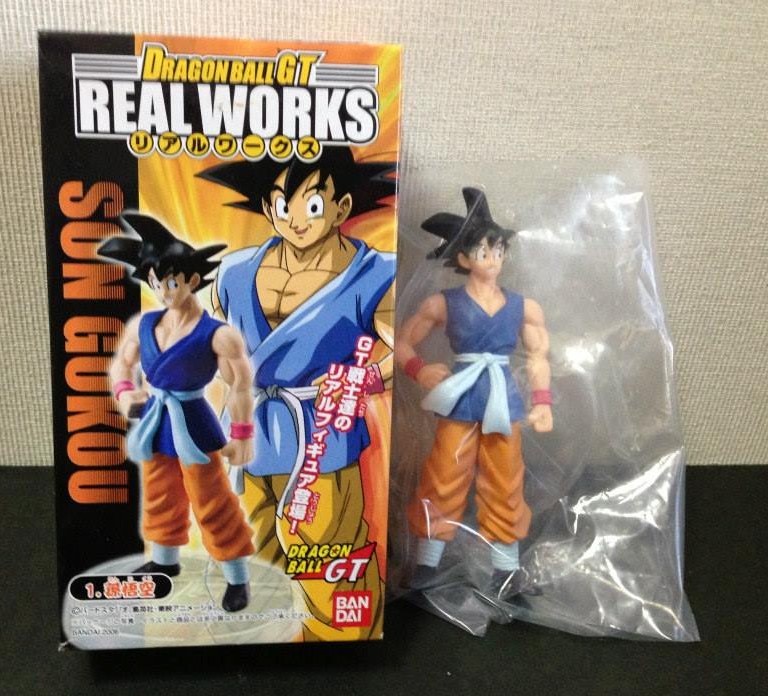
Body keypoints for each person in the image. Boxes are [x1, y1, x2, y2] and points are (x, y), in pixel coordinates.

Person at [196, 148, 395, 639]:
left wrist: (365, 378)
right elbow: (211, 334)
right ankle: (263, 646)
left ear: (341, 207)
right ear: (269, 208)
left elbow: (401, 351)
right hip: (248, 435)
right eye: (284, 205)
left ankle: (340, 650)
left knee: (329, 560)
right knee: (253, 559)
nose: (296, 219)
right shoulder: (235, 272)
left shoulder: (375, 273)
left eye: (313, 204)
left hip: (320, 435)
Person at [396, 188, 553, 597]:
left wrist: (543, 403)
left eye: (498, 250)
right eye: (484, 251)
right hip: (460, 400)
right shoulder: (443, 302)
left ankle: (506, 569)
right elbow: (401, 342)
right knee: (444, 476)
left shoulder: (524, 307)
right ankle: (427, 562)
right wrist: (418, 369)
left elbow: (539, 356)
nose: (493, 259)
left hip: (503, 400)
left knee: (505, 482)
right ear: (464, 260)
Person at [99, 211, 256, 612]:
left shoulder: (217, 334)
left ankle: (237, 577)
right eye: (155, 282)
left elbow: (239, 384)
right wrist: (125, 393)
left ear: (191, 279)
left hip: (194, 424)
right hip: (154, 420)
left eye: (171, 282)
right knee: (158, 493)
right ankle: (164, 561)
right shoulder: (144, 324)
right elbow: (121, 365)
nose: (163, 291)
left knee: (211, 500)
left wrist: (241, 434)